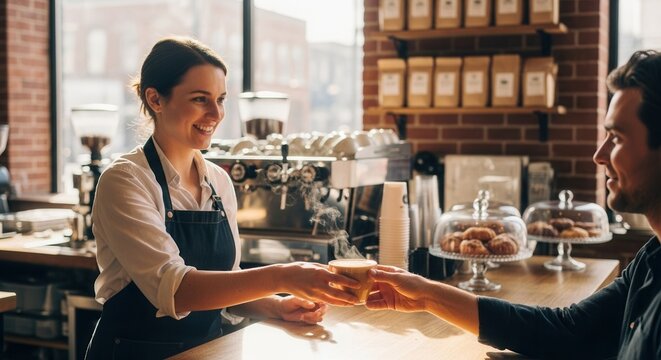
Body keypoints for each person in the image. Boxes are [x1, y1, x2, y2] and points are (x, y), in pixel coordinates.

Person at [365, 50, 661, 360]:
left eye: (617, 138)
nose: (599, 154)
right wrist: (428, 295)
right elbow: (570, 329)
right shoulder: (653, 259)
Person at [85, 36, 359, 360]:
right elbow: (177, 290)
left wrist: (276, 306)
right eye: (201, 99)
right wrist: (283, 276)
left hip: (206, 352)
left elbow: (227, 285)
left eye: (221, 99)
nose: (215, 113)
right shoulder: (125, 180)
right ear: (156, 99)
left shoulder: (218, 181)